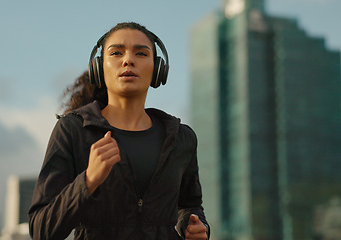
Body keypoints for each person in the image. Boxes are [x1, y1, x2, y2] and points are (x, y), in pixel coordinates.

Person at [28, 22, 210, 240]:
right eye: (116, 52)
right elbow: (41, 230)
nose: (128, 60)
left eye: (141, 53)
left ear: (158, 68)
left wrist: (196, 227)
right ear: (99, 67)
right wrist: (88, 181)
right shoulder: (72, 130)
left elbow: (190, 206)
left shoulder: (181, 137)